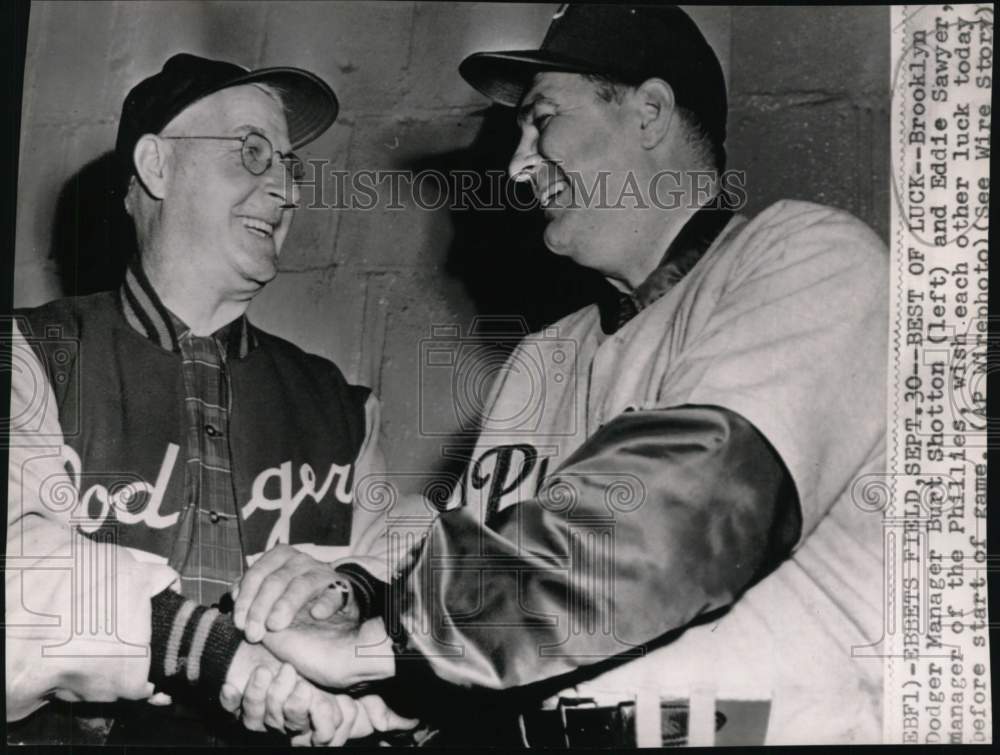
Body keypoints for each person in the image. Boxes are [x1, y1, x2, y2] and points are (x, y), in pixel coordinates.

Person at [232, 4, 889, 746]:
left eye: (543, 121)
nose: (518, 165)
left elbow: (668, 526)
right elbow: (502, 614)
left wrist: (380, 646)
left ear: (649, 112)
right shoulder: (543, 358)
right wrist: (356, 689)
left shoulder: (810, 260)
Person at [6, 52, 414, 746]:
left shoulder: (337, 404)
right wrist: (213, 651)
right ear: (157, 167)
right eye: (252, 152)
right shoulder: (30, 354)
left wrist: (350, 595)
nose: (284, 190)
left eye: (290, 167)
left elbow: (406, 567)